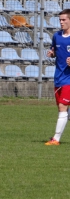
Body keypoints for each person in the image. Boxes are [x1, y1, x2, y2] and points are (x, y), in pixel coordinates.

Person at [45, 9, 70, 145]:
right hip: (59, 78)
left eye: (64, 20)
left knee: (62, 107)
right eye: (60, 20)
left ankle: (56, 139)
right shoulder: (57, 36)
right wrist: (51, 53)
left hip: (69, 79)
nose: (61, 22)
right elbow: (55, 50)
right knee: (62, 108)